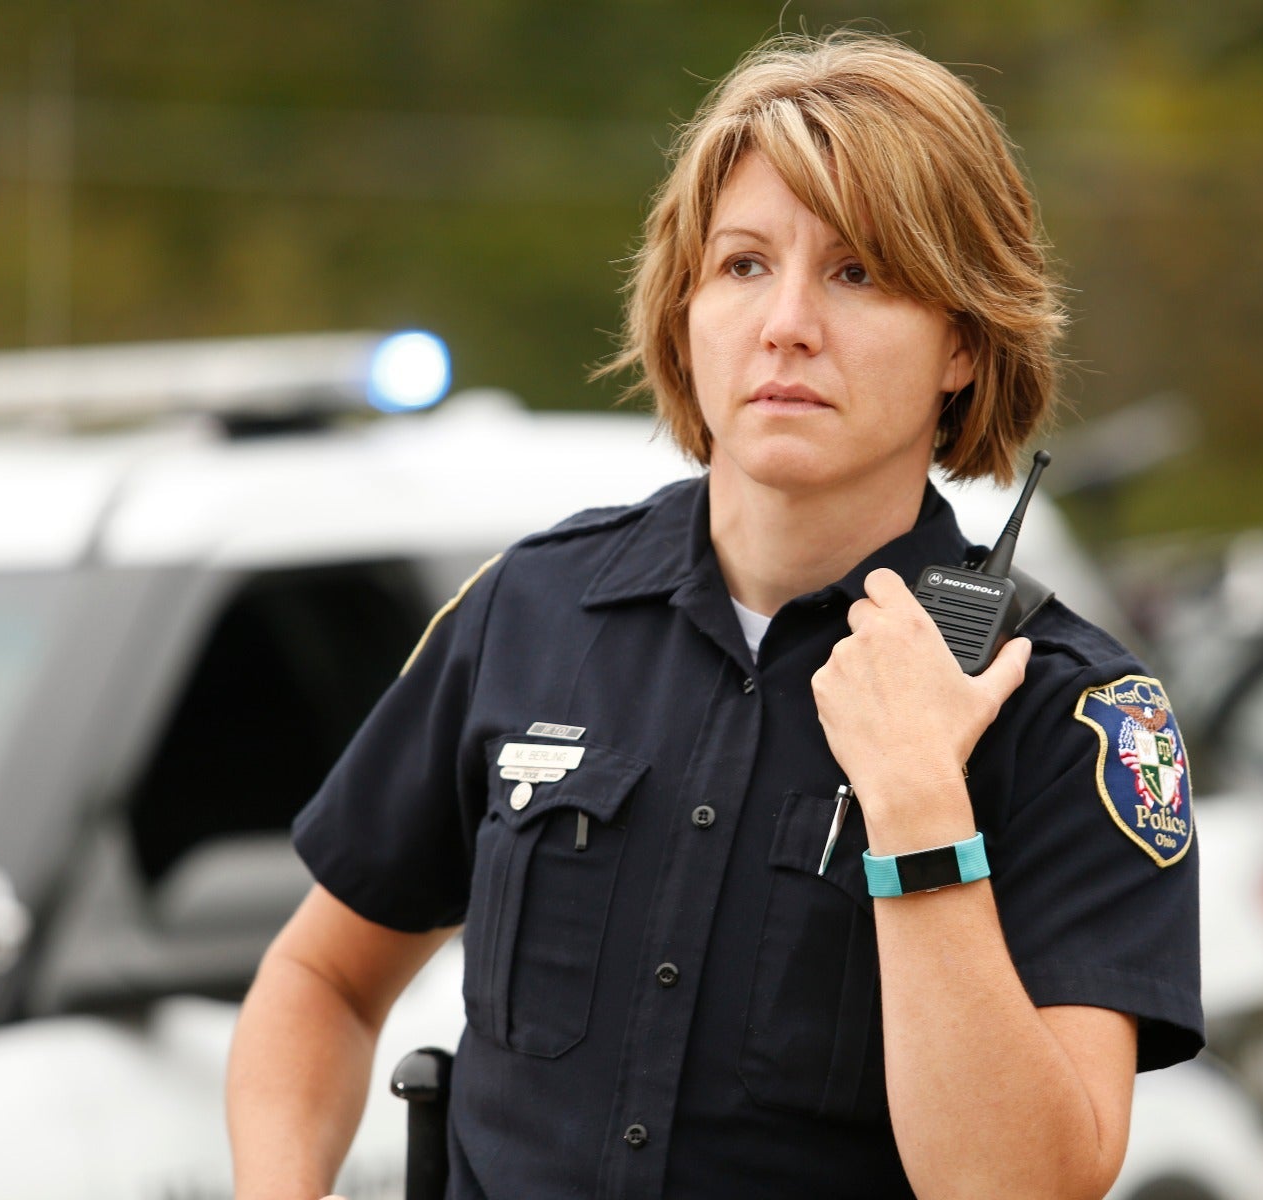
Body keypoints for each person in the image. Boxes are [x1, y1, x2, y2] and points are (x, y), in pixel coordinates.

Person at [227, 29, 1201, 1200]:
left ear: (963, 340)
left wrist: (918, 808)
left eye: (858, 274)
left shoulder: (1069, 712)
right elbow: (321, 984)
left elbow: (1022, 1188)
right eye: (744, 265)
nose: (786, 321)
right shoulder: (529, 612)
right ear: (685, 308)